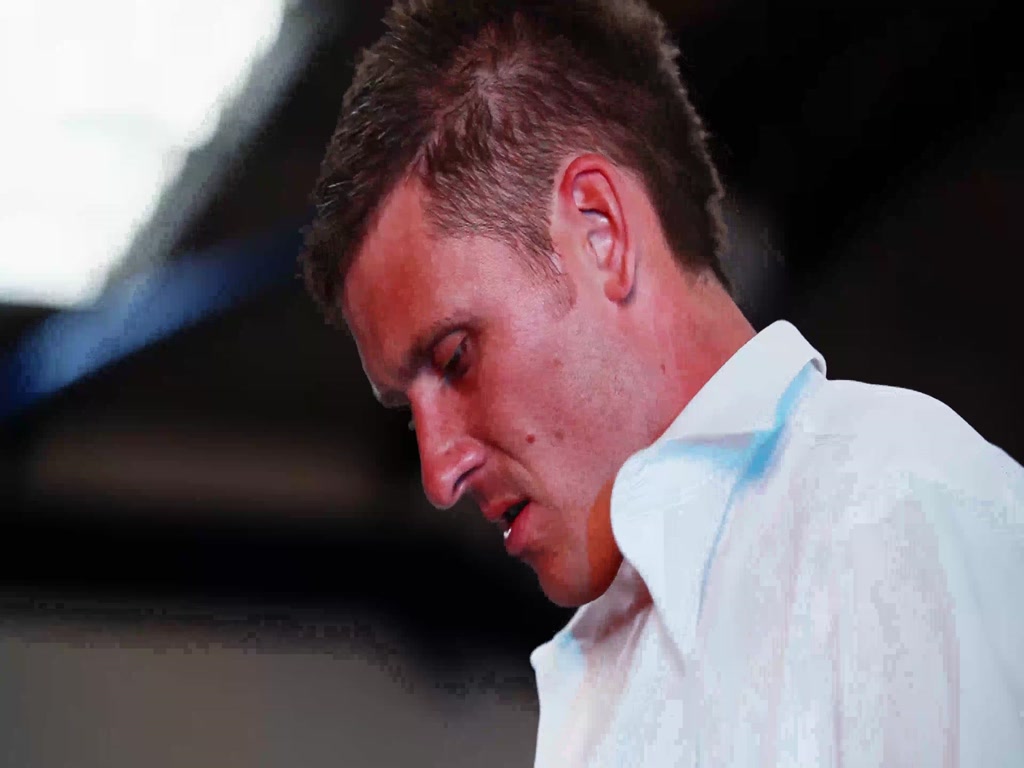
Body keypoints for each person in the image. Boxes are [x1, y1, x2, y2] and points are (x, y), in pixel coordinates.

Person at [298, 1, 1024, 765]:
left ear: (600, 231)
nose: (439, 473)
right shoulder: (606, 678)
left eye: (455, 360)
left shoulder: (888, 510)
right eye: (409, 413)